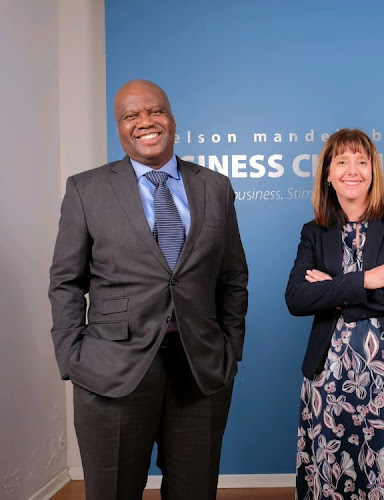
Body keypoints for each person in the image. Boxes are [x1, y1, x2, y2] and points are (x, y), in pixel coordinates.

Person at [49, 79, 248, 499]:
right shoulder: (86, 189)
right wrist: (72, 357)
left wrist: (230, 349)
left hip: (200, 370)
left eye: (155, 111)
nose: (145, 122)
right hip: (110, 371)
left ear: (172, 119)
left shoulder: (215, 187)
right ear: (118, 127)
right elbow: (66, 281)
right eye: (131, 115)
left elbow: (233, 278)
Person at [286, 128, 384, 500]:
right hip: (331, 378)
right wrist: (365, 279)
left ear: (373, 171)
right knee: (337, 467)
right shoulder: (314, 232)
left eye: (361, 161)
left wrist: (338, 292)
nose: (352, 170)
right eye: (341, 161)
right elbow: (296, 298)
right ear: (328, 174)